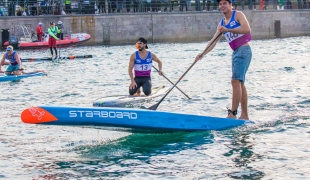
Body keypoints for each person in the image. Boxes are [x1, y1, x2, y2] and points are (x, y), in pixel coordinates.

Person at [195, 0, 252, 120]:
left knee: (235, 81)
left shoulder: (238, 15)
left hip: (244, 50)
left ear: (231, 5)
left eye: (225, 3)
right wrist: (202, 53)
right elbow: (214, 41)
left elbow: (247, 29)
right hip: (236, 52)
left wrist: (228, 30)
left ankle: (233, 113)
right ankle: (245, 115)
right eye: (220, 4)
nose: (222, 6)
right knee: (239, 82)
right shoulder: (222, 23)